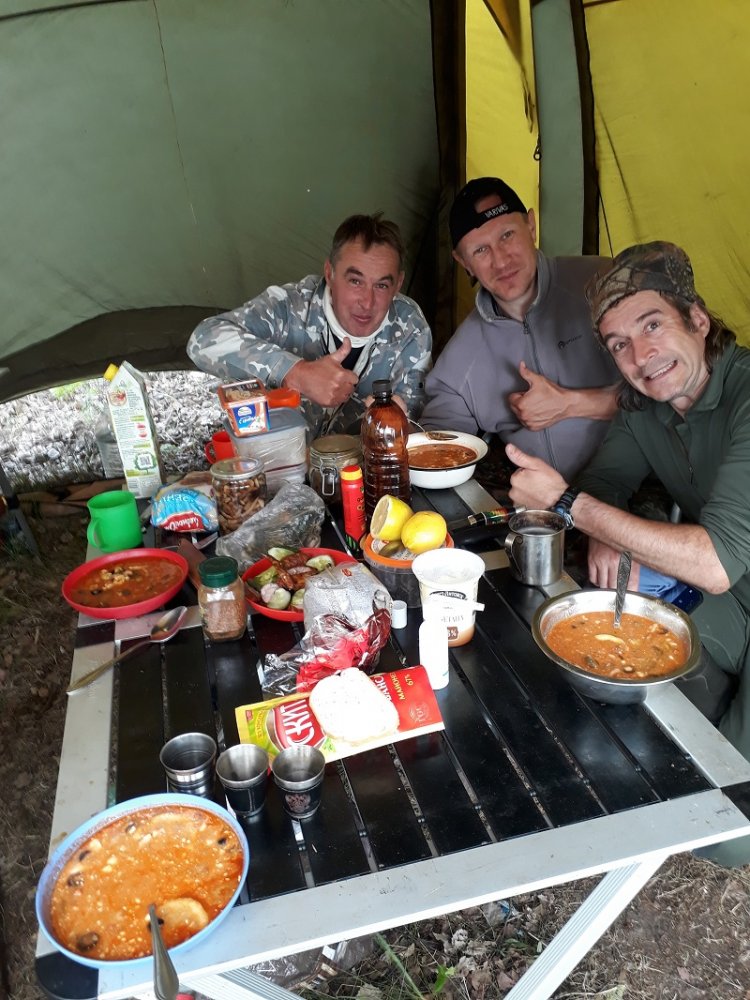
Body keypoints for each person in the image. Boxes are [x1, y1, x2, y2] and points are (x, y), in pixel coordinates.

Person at [506, 240, 750, 866]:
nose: (640, 356)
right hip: (733, 599)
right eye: (618, 343)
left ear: (697, 319)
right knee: (629, 687)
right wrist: (606, 529)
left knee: (726, 835)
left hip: (723, 576)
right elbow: (607, 481)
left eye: (652, 325)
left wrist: (570, 506)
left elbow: (715, 562)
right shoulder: (646, 403)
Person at [420, 177, 620, 480]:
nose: (501, 261)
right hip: (538, 498)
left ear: (531, 226)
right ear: (463, 263)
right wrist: (396, 431)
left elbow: (675, 384)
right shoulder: (462, 357)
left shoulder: (605, 284)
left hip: (643, 486)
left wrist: (571, 404)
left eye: (507, 235)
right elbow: (438, 448)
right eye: (480, 250)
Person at [187, 213, 431, 437]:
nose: (367, 302)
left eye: (381, 285)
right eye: (355, 281)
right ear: (330, 273)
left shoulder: (410, 329)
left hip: (364, 465)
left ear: (398, 284)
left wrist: (399, 425)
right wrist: (296, 373)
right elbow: (203, 339)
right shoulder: (289, 306)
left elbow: (416, 427)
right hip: (283, 462)